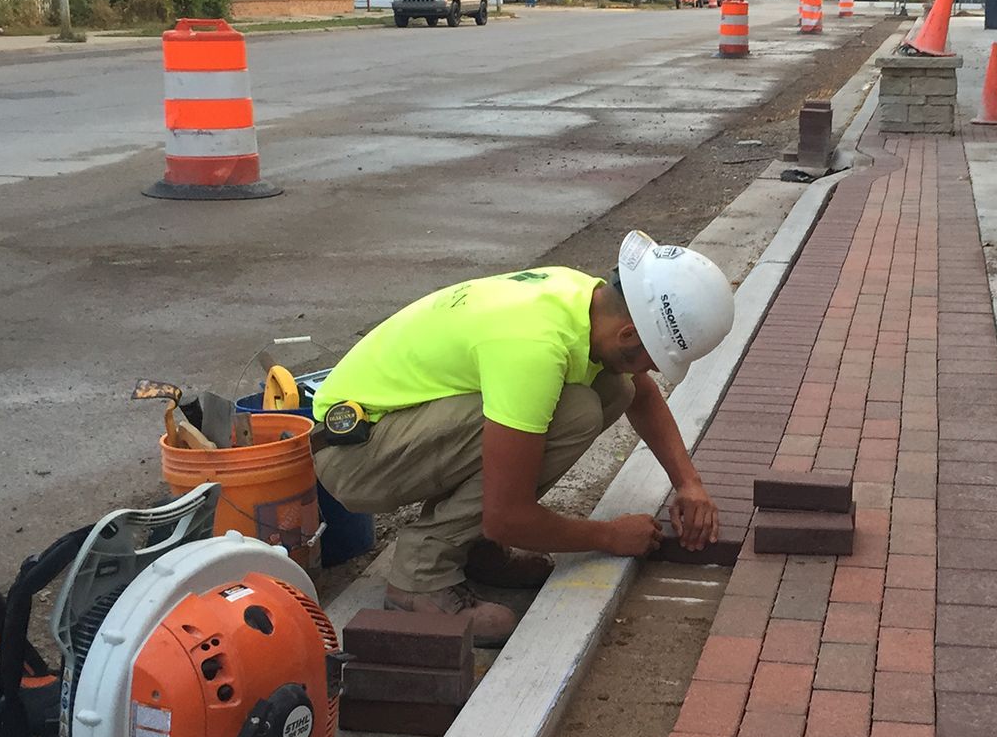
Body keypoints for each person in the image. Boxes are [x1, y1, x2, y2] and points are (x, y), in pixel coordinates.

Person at [312, 231, 735, 646]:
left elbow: (638, 391)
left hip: (400, 424)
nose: (654, 371)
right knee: (575, 413)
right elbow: (507, 516)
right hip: (359, 452)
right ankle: (421, 577)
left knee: (615, 388)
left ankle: (471, 547)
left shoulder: (582, 299)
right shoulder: (534, 347)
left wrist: (688, 483)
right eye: (655, 357)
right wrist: (608, 536)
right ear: (628, 334)